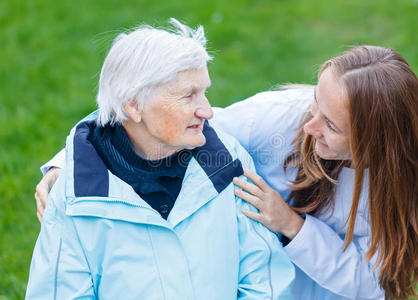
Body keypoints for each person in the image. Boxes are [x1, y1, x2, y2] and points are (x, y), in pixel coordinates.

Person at [37, 46, 418, 299]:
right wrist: (67, 162)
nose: (309, 126)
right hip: (273, 284)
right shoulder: (281, 119)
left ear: (378, 141)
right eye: (314, 104)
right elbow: (158, 121)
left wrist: (292, 224)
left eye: (332, 125)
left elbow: (373, 283)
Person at [26, 19, 295, 300]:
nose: (207, 110)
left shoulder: (230, 163)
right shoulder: (72, 198)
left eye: (204, 92)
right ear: (133, 104)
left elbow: (266, 281)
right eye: (189, 96)